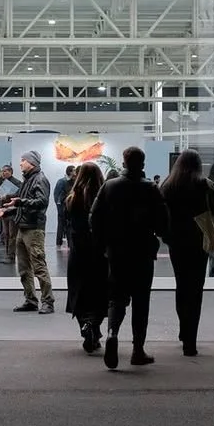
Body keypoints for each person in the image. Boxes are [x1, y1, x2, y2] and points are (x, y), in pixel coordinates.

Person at [90, 147, 169, 369]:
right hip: (143, 251)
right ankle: (137, 350)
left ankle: (112, 333)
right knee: (141, 301)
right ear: (142, 164)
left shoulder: (110, 186)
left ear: (123, 163)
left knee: (117, 297)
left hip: (117, 251)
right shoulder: (150, 188)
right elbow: (163, 222)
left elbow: (94, 217)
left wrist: (102, 244)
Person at [160, 149, 214, 356]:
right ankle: (191, 340)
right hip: (200, 242)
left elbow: (160, 215)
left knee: (181, 285)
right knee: (196, 289)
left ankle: (183, 330)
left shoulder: (168, 186)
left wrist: (167, 236)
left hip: (177, 243)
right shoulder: (204, 185)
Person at [0, 151, 55, 314]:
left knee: (39, 266)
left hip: (34, 229)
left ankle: (48, 301)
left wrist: (20, 201)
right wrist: (6, 211)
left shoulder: (40, 179)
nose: (20, 163)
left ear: (31, 162)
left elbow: (42, 202)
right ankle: (30, 300)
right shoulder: (28, 179)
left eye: (23, 160)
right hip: (23, 227)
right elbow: (22, 206)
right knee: (24, 268)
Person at [63, 162, 107, 354]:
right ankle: (93, 326)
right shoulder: (104, 198)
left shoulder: (72, 199)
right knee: (99, 292)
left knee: (78, 292)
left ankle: (86, 327)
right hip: (99, 253)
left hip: (78, 253)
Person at [0, 164, 20, 264]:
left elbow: (19, 195)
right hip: (4, 211)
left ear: (10, 172)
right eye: (2, 171)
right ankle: (8, 254)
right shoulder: (1, 182)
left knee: (12, 234)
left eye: (5, 171)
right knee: (6, 234)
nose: (3, 173)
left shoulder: (17, 182)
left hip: (13, 211)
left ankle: (11, 256)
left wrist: (7, 196)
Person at [53, 165, 74, 248]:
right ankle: (59, 242)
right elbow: (56, 195)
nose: (75, 172)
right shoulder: (61, 181)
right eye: (74, 171)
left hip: (67, 206)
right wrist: (59, 206)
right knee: (61, 224)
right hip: (62, 206)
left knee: (67, 224)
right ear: (70, 172)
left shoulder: (71, 181)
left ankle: (69, 243)